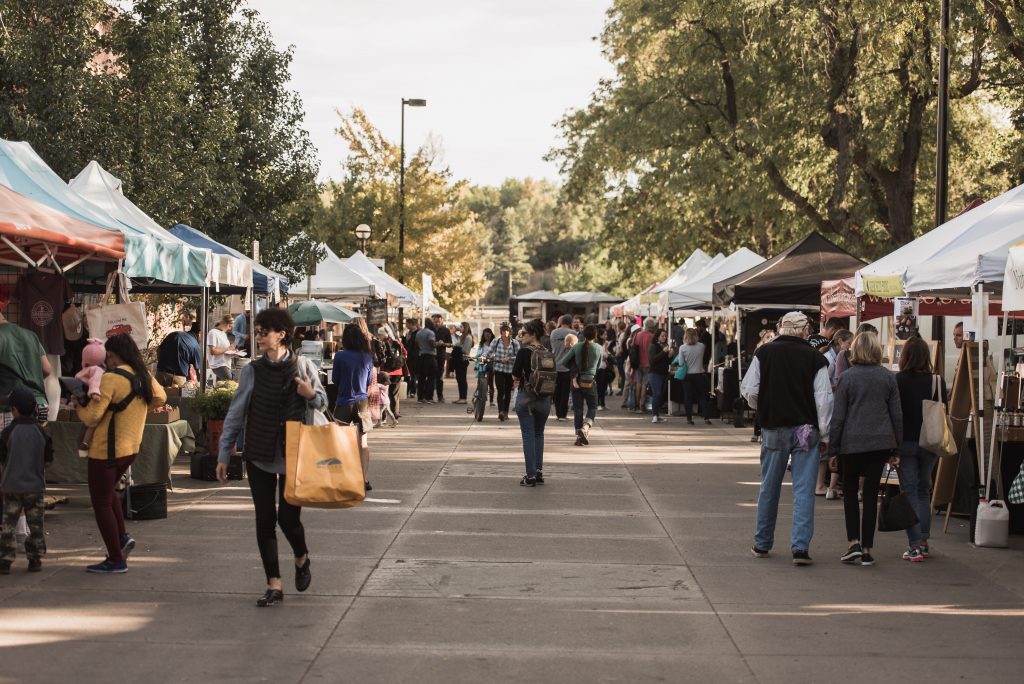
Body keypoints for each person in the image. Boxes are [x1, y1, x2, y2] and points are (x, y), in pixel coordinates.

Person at [217, 308, 326, 606]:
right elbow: (236, 413)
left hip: (294, 454)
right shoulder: (252, 370)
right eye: (258, 332)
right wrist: (224, 452)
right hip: (259, 453)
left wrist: (308, 393)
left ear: (282, 334)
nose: (259, 337)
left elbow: (322, 401)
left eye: (264, 332)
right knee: (265, 519)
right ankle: (274, 584)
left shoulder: (303, 366)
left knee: (288, 519)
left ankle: (301, 556)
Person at [742, 311, 832, 566]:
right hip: (806, 429)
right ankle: (800, 547)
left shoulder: (765, 353)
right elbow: (824, 400)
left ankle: (762, 543)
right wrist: (825, 434)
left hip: (774, 428)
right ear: (805, 331)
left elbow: (749, 390)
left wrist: (765, 407)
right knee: (804, 489)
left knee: (769, 486)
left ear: (782, 328)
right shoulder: (816, 358)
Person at [76, 334, 167, 573]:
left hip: (106, 450)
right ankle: (123, 537)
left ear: (113, 356)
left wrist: (78, 403)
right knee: (110, 494)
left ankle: (116, 559)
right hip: (131, 448)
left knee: (101, 502)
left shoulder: (112, 378)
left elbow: (92, 417)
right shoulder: (143, 375)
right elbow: (161, 397)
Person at [829, 332, 902, 567]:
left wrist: (833, 448)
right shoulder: (888, 378)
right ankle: (868, 549)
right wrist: (896, 448)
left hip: (852, 442)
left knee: (849, 491)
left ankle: (854, 543)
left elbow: (838, 417)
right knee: (870, 494)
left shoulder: (847, 378)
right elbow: (896, 415)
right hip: (880, 442)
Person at [895, 336, 945, 562]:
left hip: (905, 441)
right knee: (924, 489)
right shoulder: (937, 381)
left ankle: (915, 544)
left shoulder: (899, 380)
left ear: (905, 355)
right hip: (931, 440)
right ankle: (923, 539)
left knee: (911, 491)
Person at [0, 387, 53, 574]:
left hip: (11, 486)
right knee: (36, 525)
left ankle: (5, 561)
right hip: (35, 487)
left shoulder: (7, 432)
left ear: (14, 410)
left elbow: (2, 460)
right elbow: (48, 460)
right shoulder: (43, 433)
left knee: (8, 526)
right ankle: (35, 559)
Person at [333, 323, 375, 491]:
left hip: (343, 401)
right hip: (362, 402)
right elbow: (368, 381)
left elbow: (335, 379)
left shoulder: (340, 356)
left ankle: (344, 479)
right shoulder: (367, 356)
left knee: (341, 442)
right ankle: (363, 480)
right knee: (363, 442)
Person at [513, 319, 551, 486]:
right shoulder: (547, 351)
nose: (521, 336)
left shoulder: (523, 352)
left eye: (524, 333)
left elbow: (515, 375)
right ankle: (539, 471)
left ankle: (530, 475)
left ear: (533, 334)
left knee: (528, 435)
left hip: (526, 399)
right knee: (539, 434)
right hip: (544, 398)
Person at [562, 324, 602, 445]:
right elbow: (599, 366)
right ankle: (585, 428)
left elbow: (564, 361)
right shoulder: (599, 348)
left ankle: (578, 437)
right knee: (593, 406)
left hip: (577, 381)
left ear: (583, 334)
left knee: (578, 410)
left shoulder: (577, 347)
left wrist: (575, 371)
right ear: (595, 335)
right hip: (590, 381)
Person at [677, 328, 712, 425]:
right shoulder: (701, 346)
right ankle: (706, 418)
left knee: (688, 397)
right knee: (702, 396)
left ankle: (689, 419)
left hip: (687, 375)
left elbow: (681, 363)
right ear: (696, 335)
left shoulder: (682, 348)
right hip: (699, 374)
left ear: (685, 336)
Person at [489, 324, 519, 421]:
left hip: (510, 371)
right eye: (504, 331)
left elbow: (519, 356)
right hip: (499, 370)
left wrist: (509, 358)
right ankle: (500, 412)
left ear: (510, 332)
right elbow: (489, 352)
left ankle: (506, 412)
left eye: (507, 331)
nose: (506, 333)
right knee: (500, 391)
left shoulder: (515, 343)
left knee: (507, 392)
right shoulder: (496, 342)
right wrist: (484, 357)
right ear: (501, 332)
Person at [549, 315, 574, 421]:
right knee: (565, 392)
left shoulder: (554, 332)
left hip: (554, 366)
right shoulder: (573, 333)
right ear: (570, 322)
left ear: (561, 321)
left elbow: (552, 347)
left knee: (556, 391)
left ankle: (558, 412)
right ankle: (562, 415)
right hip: (567, 367)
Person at [377, 327, 406, 418]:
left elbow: (378, 357)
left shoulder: (380, 343)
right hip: (397, 371)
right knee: (395, 393)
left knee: (383, 393)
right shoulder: (397, 342)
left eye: (379, 335)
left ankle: (383, 416)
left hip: (385, 373)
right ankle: (395, 412)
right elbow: (405, 353)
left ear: (382, 335)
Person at [630, 318, 656, 415]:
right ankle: (642, 405)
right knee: (645, 384)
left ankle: (636, 405)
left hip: (638, 363)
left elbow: (632, 348)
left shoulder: (637, 334)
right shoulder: (653, 336)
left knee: (638, 383)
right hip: (648, 363)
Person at [647, 328, 671, 424]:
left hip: (663, 373)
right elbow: (652, 360)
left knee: (660, 394)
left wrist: (670, 355)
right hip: (655, 373)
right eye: (662, 336)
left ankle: (657, 414)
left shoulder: (664, 346)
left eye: (665, 336)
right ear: (657, 336)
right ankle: (654, 415)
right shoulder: (653, 346)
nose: (664, 338)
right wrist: (664, 352)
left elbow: (666, 361)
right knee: (656, 394)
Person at [415, 319, 438, 403]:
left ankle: (420, 397)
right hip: (430, 356)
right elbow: (432, 343)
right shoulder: (430, 333)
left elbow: (416, 343)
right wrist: (437, 344)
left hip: (421, 356)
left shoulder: (419, 333)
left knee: (421, 378)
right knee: (431, 378)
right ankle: (429, 397)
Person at [207, 314, 235, 381]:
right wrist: (227, 349)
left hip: (226, 363)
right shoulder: (213, 333)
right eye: (229, 326)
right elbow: (213, 351)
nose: (230, 328)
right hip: (218, 364)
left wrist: (232, 351)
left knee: (222, 387)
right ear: (225, 323)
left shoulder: (223, 333)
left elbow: (224, 349)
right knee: (229, 382)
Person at [431, 314, 452, 401]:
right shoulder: (429, 330)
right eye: (435, 321)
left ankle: (440, 396)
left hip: (440, 356)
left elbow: (450, 344)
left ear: (441, 321)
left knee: (440, 376)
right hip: (431, 356)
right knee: (431, 376)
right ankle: (430, 396)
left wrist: (443, 343)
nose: (436, 323)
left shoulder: (446, 330)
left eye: (438, 322)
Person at [454, 322, 473, 404]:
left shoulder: (468, 337)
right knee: (459, 378)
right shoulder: (461, 336)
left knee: (462, 379)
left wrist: (457, 347)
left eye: (461, 327)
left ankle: (463, 397)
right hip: (458, 359)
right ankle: (461, 397)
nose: (460, 328)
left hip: (463, 359)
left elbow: (465, 350)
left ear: (465, 328)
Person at [478, 327, 496, 406]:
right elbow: (479, 353)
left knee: (490, 382)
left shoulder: (494, 343)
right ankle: (480, 396)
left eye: (488, 335)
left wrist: (493, 357)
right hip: (482, 361)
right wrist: (480, 359)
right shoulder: (481, 344)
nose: (487, 336)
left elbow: (496, 353)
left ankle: (491, 400)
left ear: (491, 335)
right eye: (485, 335)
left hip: (491, 362)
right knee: (480, 379)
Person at [404, 318, 420, 399]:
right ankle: (407, 391)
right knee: (407, 374)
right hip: (408, 356)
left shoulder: (418, 333)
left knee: (413, 375)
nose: (405, 325)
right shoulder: (408, 333)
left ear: (411, 324)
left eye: (406, 323)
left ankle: (413, 391)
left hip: (414, 356)